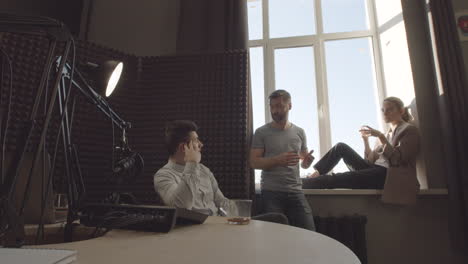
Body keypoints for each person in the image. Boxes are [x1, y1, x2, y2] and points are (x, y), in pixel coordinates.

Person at [154, 120, 288, 224]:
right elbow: (182, 208)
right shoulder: (163, 176)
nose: (201, 144)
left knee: (278, 219)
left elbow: (221, 202)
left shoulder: (204, 170)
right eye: (196, 140)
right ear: (183, 147)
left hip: (221, 224)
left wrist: (241, 217)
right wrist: (191, 164)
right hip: (197, 231)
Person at [302, 96, 420, 204]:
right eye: (383, 110)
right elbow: (369, 162)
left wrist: (380, 137)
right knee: (341, 147)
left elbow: (397, 160)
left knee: (338, 178)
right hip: (375, 171)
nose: (385, 113)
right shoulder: (385, 134)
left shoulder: (409, 131)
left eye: (390, 109)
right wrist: (366, 141)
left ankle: (302, 184)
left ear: (401, 110)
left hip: (387, 175)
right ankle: (314, 176)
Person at [250, 90, 316, 231]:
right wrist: (277, 160)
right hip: (271, 193)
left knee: (310, 235)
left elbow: (303, 161)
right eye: (272, 107)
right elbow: (254, 162)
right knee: (275, 239)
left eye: (279, 106)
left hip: (296, 192)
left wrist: (306, 162)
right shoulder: (261, 132)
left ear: (290, 106)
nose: (275, 110)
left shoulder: (300, 132)